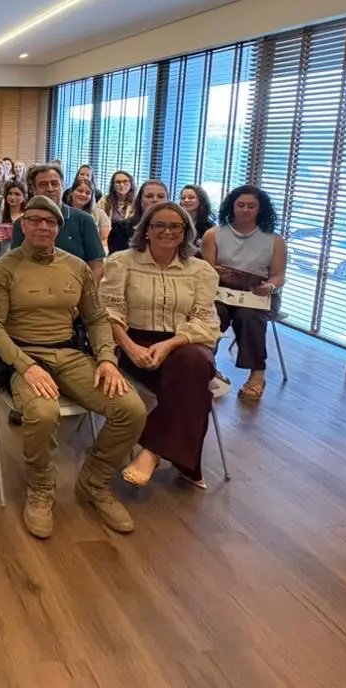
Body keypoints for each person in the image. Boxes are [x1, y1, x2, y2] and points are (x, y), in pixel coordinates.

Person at [0, 196, 146, 539]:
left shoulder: (77, 267)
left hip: (70, 355)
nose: (43, 226)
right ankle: (41, 487)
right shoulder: (5, 269)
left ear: (59, 227)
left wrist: (106, 358)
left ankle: (95, 481)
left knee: (131, 409)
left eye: (50, 222)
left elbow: (96, 317)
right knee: (42, 413)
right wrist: (26, 366)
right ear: (23, 224)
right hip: (24, 357)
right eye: (35, 220)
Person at [101, 202, 220, 489]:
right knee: (197, 386)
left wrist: (168, 345)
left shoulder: (201, 271)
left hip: (183, 341)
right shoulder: (122, 262)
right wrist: (130, 348)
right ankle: (183, 461)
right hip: (133, 342)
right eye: (160, 225)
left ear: (185, 231)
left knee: (195, 361)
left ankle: (152, 452)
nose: (168, 231)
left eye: (175, 226)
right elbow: (107, 313)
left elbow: (206, 321)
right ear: (146, 230)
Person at [201, 185, 287, 402]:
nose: (245, 210)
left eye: (251, 206)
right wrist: (217, 272)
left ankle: (257, 374)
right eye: (241, 205)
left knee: (248, 316)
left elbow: (278, 276)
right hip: (220, 291)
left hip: (258, 293)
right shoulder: (213, 234)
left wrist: (269, 287)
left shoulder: (275, 240)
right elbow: (205, 271)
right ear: (232, 206)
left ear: (260, 209)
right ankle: (206, 366)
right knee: (214, 314)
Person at [9, 165, 105, 279]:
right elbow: (16, 264)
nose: (50, 189)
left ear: (63, 186)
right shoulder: (22, 223)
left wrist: (88, 290)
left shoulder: (84, 220)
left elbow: (97, 266)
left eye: (55, 184)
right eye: (43, 185)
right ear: (33, 190)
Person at [108, 180, 168, 255]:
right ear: (140, 200)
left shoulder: (175, 229)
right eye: (149, 196)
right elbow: (116, 259)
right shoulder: (120, 229)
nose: (155, 200)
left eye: (161, 196)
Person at [0, 179, 26, 263]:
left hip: (23, 262)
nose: (13, 197)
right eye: (10, 193)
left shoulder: (28, 217)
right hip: (1, 262)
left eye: (17, 194)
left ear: (24, 197)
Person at [66, 177, 110, 249]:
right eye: (80, 191)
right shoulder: (63, 212)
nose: (83, 194)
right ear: (71, 193)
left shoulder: (100, 214)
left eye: (88, 193)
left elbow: (105, 240)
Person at [99, 171, 136, 247]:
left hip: (129, 241)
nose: (122, 185)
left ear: (131, 184)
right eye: (118, 182)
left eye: (125, 181)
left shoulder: (136, 203)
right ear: (113, 185)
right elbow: (97, 220)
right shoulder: (104, 201)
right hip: (106, 240)